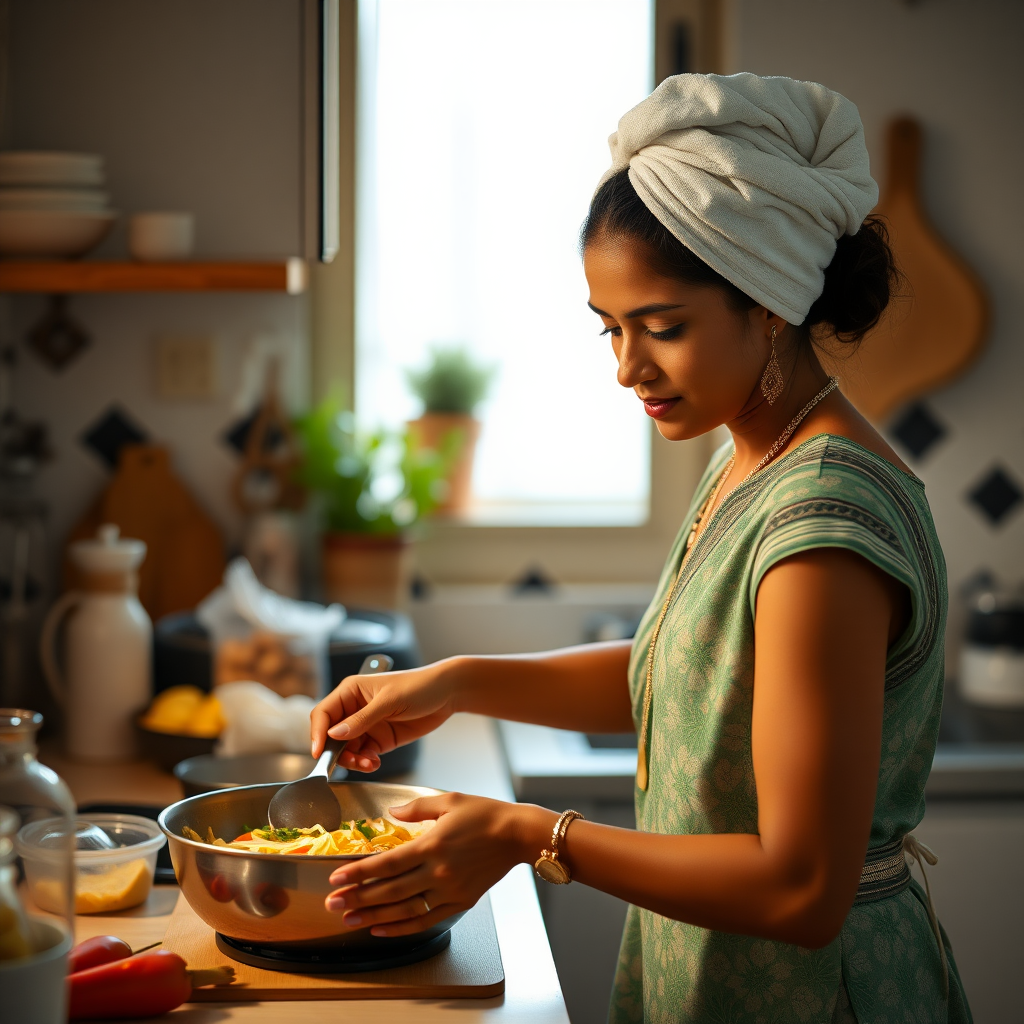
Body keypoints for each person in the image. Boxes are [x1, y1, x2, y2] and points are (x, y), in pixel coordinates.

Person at [311, 72, 972, 1023]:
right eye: (611, 329)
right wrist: (453, 681)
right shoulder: (754, 453)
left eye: (663, 328)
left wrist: (527, 833)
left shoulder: (824, 523)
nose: (628, 368)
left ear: (771, 302)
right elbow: (691, 678)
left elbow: (799, 889)